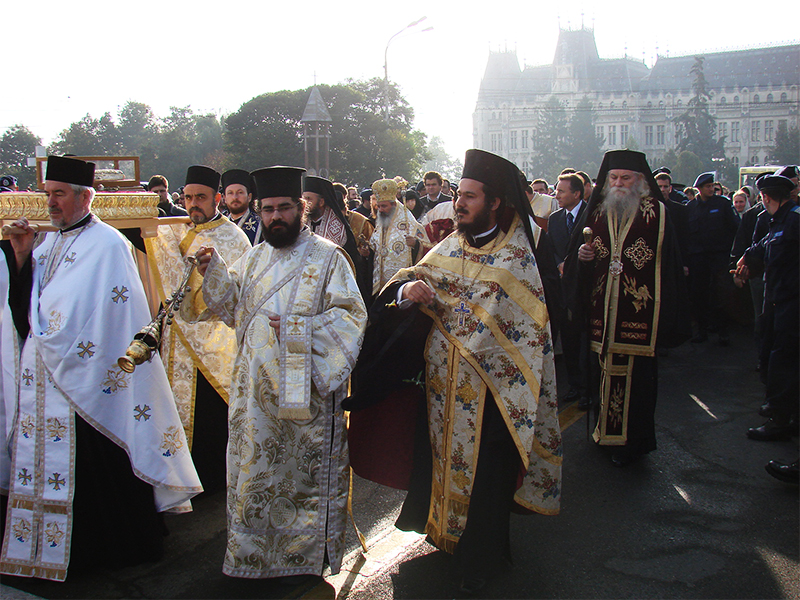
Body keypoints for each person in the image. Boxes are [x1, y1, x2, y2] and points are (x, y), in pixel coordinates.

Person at [348, 150, 562, 594]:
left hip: (492, 394)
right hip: (441, 389)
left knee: (485, 478)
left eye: (469, 196)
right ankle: (443, 540)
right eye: (458, 194)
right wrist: (409, 288)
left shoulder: (517, 258)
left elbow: (526, 332)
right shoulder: (453, 244)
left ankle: (481, 559)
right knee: (441, 462)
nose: (458, 203)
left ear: (496, 202)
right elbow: (404, 282)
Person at [0, 156, 201, 581]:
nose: (50, 202)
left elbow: (114, 317)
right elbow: (26, 315)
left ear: (84, 196)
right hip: (44, 377)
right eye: (48, 193)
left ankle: (98, 549)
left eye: (59, 194)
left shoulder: (108, 244)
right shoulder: (45, 242)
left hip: (88, 378)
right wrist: (19, 257)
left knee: (95, 469)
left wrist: (67, 352)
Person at [192, 165, 366, 580]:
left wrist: (298, 329)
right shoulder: (252, 258)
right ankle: (252, 557)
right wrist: (212, 270)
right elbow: (231, 309)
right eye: (267, 209)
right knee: (254, 477)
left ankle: (305, 559)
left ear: (300, 208)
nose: (275, 217)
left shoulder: (329, 257)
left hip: (302, 393)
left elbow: (352, 318)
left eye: (284, 208)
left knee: (299, 478)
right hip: (253, 395)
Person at [570, 150, 689, 466]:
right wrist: (583, 259)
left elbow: (672, 267)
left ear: (640, 181)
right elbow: (578, 260)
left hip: (639, 315)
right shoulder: (596, 213)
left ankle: (631, 443)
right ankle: (603, 433)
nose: (619, 183)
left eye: (626, 178)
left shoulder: (658, 214)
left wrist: (668, 317)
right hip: (602, 312)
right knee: (603, 375)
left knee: (636, 384)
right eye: (614, 178)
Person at [145, 165, 251, 494]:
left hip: (216, 337)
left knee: (213, 410)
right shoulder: (175, 229)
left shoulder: (233, 238)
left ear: (216, 199)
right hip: (177, 339)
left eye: (201, 198)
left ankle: (216, 479)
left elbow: (241, 291)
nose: (193, 204)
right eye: (188, 197)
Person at [734, 175, 798, 466]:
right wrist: (748, 255)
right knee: (775, 355)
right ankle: (782, 413)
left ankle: (780, 420)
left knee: (784, 360)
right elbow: (766, 243)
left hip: (792, 303)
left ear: (767, 198)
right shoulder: (782, 220)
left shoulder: (795, 221)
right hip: (779, 300)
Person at [549, 173, 589, 407]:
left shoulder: (591, 215)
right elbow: (551, 247)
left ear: (576, 193)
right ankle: (575, 385)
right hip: (563, 288)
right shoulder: (555, 219)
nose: (557, 195)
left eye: (562, 191)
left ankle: (589, 389)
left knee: (585, 340)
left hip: (585, 287)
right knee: (570, 338)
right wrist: (558, 263)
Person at [685, 172, 739, 345]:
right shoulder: (691, 207)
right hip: (698, 258)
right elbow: (686, 235)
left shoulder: (723, 204)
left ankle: (723, 331)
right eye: (707, 187)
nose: (711, 189)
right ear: (699, 189)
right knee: (699, 294)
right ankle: (701, 330)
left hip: (719, 256)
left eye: (712, 186)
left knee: (721, 294)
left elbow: (735, 228)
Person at [303, 175, 372, 302]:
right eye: (303, 198)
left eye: (308, 199)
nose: (304, 203)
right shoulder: (301, 224)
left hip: (333, 290)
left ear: (321, 202)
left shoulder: (339, 229)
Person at [368, 178, 427, 298]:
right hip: (379, 284)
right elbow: (375, 248)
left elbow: (429, 250)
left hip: (401, 286)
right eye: (378, 206)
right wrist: (366, 250)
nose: (380, 210)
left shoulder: (411, 225)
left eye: (384, 206)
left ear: (394, 204)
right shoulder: (380, 222)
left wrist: (416, 244)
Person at [221, 169, 263, 245]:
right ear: (224, 198)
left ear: (249, 197)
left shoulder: (261, 226)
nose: (235, 197)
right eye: (230, 193)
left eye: (240, 192)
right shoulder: (220, 224)